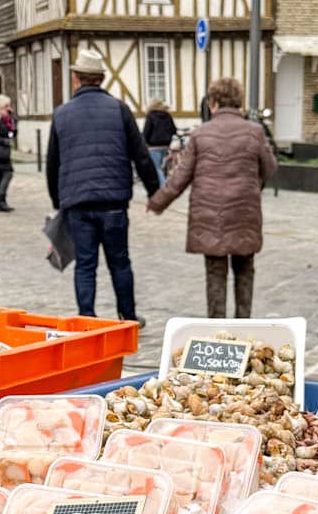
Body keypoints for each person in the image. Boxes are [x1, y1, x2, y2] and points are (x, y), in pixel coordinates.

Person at [147, 76, 276, 319]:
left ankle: (218, 330)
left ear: (213, 103)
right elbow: (269, 168)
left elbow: (180, 177)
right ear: (238, 102)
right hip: (244, 215)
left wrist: (157, 202)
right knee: (245, 272)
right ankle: (243, 325)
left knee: (215, 274)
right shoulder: (255, 132)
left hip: (210, 218)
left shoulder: (200, 134)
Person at [46, 47, 158, 327]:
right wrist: (154, 191)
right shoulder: (119, 110)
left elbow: (52, 163)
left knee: (85, 264)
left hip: (77, 203)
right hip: (113, 201)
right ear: (101, 78)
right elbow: (141, 155)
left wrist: (57, 201)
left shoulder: (62, 114)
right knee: (120, 262)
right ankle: (127, 317)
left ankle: (87, 319)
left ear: (76, 78)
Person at [142, 98, 178, 187]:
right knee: (161, 168)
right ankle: (161, 185)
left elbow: (146, 131)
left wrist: (144, 142)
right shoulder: (168, 115)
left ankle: (164, 187)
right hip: (165, 146)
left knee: (156, 168)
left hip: (153, 146)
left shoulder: (150, 116)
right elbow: (174, 130)